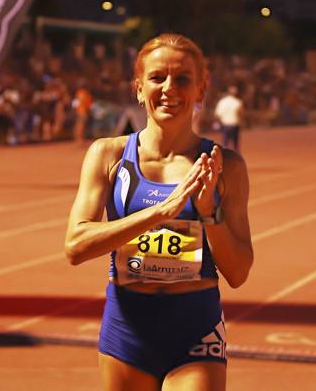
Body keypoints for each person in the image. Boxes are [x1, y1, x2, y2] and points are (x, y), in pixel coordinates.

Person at [65, 33, 253, 391]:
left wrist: (208, 212)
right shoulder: (108, 155)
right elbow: (75, 246)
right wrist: (157, 213)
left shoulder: (225, 166)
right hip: (127, 327)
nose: (169, 88)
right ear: (138, 88)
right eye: (157, 78)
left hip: (195, 327)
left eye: (182, 78)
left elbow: (239, 271)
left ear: (201, 89)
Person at [214, 85, 244, 151]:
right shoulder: (238, 102)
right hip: (235, 124)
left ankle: (225, 159)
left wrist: (220, 122)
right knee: (235, 145)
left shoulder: (222, 102)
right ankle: (236, 158)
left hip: (225, 125)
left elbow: (217, 114)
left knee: (225, 144)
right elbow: (240, 114)